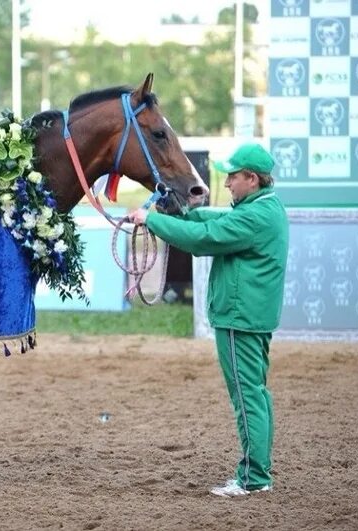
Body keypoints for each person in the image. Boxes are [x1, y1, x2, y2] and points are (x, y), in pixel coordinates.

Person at [129, 143, 289, 497]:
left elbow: (203, 239)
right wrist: (179, 213)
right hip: (249, 317)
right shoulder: (263, 207)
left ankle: (254, 479)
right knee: (255, 396)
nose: (228, 182)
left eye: (233, 176)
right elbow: (211, 219)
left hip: (239, 318)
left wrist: (152, 220)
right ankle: (257, 474)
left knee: (246, 398)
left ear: (252, 179)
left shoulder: (255, 216)